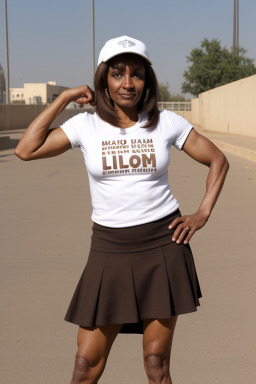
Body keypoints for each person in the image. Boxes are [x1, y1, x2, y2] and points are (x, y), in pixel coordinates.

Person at [15, 35, 229, 384]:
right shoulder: (85, 126)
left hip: (163, 248)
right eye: (117, 73)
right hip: (109, 249)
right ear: (104, 79)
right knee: (85, 364)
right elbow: (26, 149)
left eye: (137, 74)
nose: (127, 83)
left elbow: (218, 160)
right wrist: (66, 97)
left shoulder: (166, 122)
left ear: (147, 81)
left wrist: (201, 213)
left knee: (155, 362)